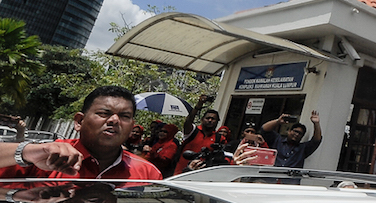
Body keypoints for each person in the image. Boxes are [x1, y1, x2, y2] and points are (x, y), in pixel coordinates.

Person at [0, 86, 161, 181]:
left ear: (132, 126)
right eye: (104, 113)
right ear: (78, 121)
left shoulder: (149, 173)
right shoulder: (44, 156)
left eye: (124, 116)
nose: (114, 120)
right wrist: (27, 152)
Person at [175, 95, 220, 173]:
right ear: (202, 119)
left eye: (213, 119)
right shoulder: (193, 131)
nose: (210, 120)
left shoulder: (219, 138)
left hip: (200, 175)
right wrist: (198, 105)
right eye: (207, 118)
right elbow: (188, 121)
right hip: (181, 172)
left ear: (217, 121)